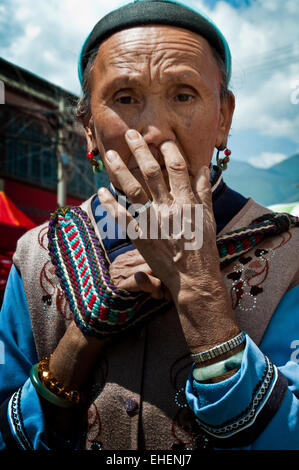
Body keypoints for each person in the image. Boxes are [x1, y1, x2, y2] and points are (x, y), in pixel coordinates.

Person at [0, 0, 299, 451]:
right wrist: (82, 337)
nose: (156, 130)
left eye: (183, 94)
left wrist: (199, 291)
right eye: (125, 98)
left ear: (224, 118)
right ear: (88, 128)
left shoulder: (289, 251)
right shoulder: (38, 254)